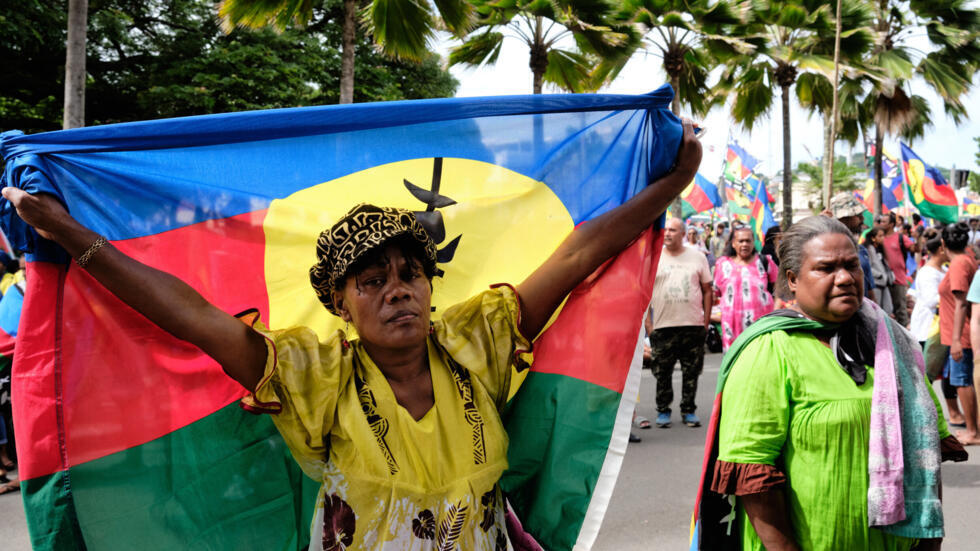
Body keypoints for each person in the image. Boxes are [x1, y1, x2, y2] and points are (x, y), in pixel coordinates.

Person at [1, 121, 702, 548]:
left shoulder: (477, 341)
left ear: (431, 285)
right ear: (340, 304)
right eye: (371, 281)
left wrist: (672, 184)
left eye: (409, 273)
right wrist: (66, 230)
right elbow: (190, 317)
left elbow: (578, 256)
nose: (397, 288)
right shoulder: (316, 376)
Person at [705, 215, 965, 551]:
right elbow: (753, 476)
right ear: (793, 279)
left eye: (851, 266)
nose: (844, 278)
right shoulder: (770, 350)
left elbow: (926, 451)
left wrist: (930, 539)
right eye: (826, 268)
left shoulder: (894, 345)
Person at [647, 218, 712, 429]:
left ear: (682, 233)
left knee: (691, 371)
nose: (667, 233)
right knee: (662, 371)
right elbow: (644, 293)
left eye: (673, 230)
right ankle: (663, 410)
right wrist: (649, 324)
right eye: (665, 229)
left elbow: (707, 290)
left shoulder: (698, 257)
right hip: (662, 326)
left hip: (692, 324)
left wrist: (706, 320)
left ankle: (688, 410)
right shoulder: (653, 257)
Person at [938, 221, 980, 445]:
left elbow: (961, 303)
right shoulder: (966, 259)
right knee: (963, 381)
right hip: (960, 331)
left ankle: (974, 432)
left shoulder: (957, 265)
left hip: (961, 334)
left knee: (962, 381)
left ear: (943, 243)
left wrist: (955, 340)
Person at [713, 227, 778, 351]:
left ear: (754, 242)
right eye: (741, 241)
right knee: (734, 364)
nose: (745, 244)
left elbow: (781, 289)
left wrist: (775, 312)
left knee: (761, 362)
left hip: (760, 327)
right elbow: (716, 293)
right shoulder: (722, 264)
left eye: (748, 241)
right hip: (731, 329)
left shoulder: (765, 261)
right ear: (733, 243)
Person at [827, 192, 874, 299]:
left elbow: (870, 290)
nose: (862, 219)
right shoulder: (827, 252)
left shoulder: (861, 250)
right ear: (844, 218)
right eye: (858, 215)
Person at [877, 212, 915, 326]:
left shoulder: (900, 237)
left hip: (898, 279)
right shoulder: (878, 238)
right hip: (883, 281)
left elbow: (914, 249)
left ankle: (903, 338)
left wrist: (918, 239)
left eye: (884, 222)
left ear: (891, 224)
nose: (881, 224)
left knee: (900, 310)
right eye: (881, 221)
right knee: (884, 311)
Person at [864, 226, 894, 313]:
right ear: (873, 238)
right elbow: (868, 267)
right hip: (876, 284)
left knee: (888, 308)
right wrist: (879, 275)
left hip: (884, 283)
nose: (882, 238)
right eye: (880, 236)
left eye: (883, 236)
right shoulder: (868, 250)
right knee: (876, 309)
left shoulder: (880, 249)